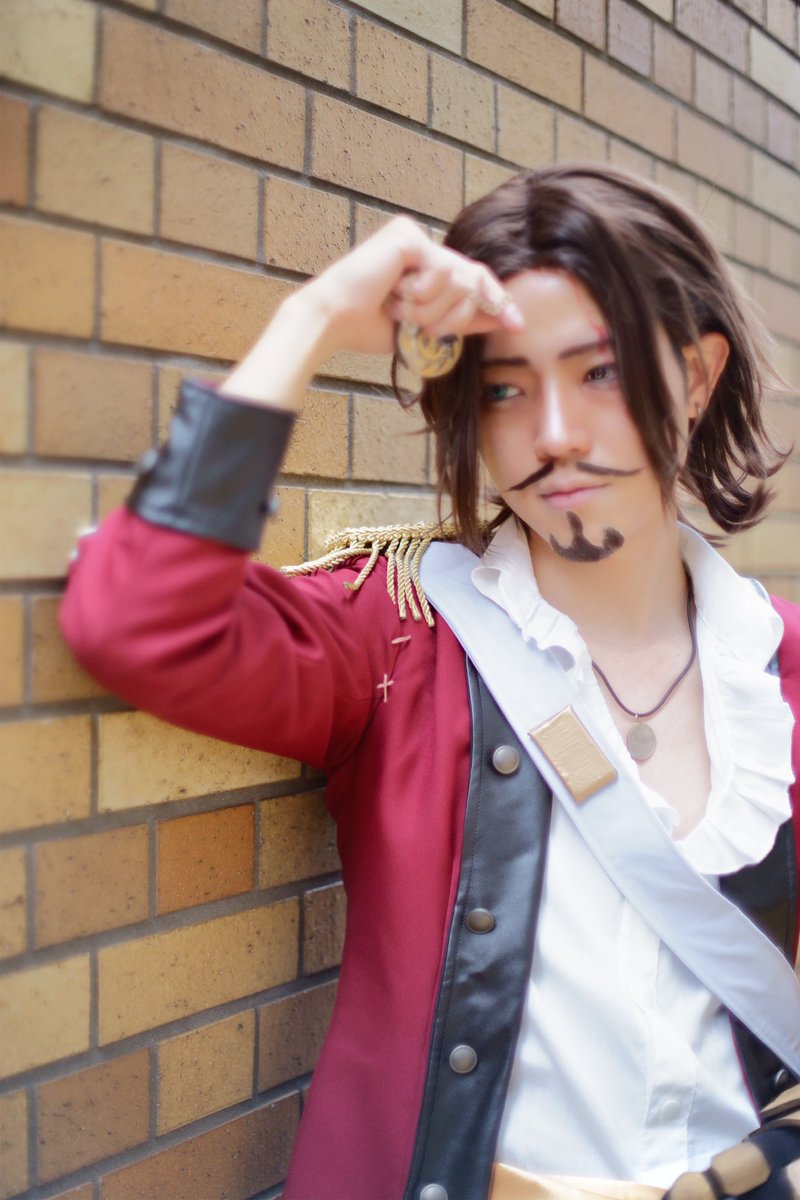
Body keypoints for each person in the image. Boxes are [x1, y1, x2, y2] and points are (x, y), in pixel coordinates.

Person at [60, 164, 800, 1200]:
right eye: (503, 389)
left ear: (695, 375)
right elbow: (134, 620)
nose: (553, 433)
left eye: (599, 372)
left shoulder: (776, 665)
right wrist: (313, 319)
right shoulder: (399, 632)